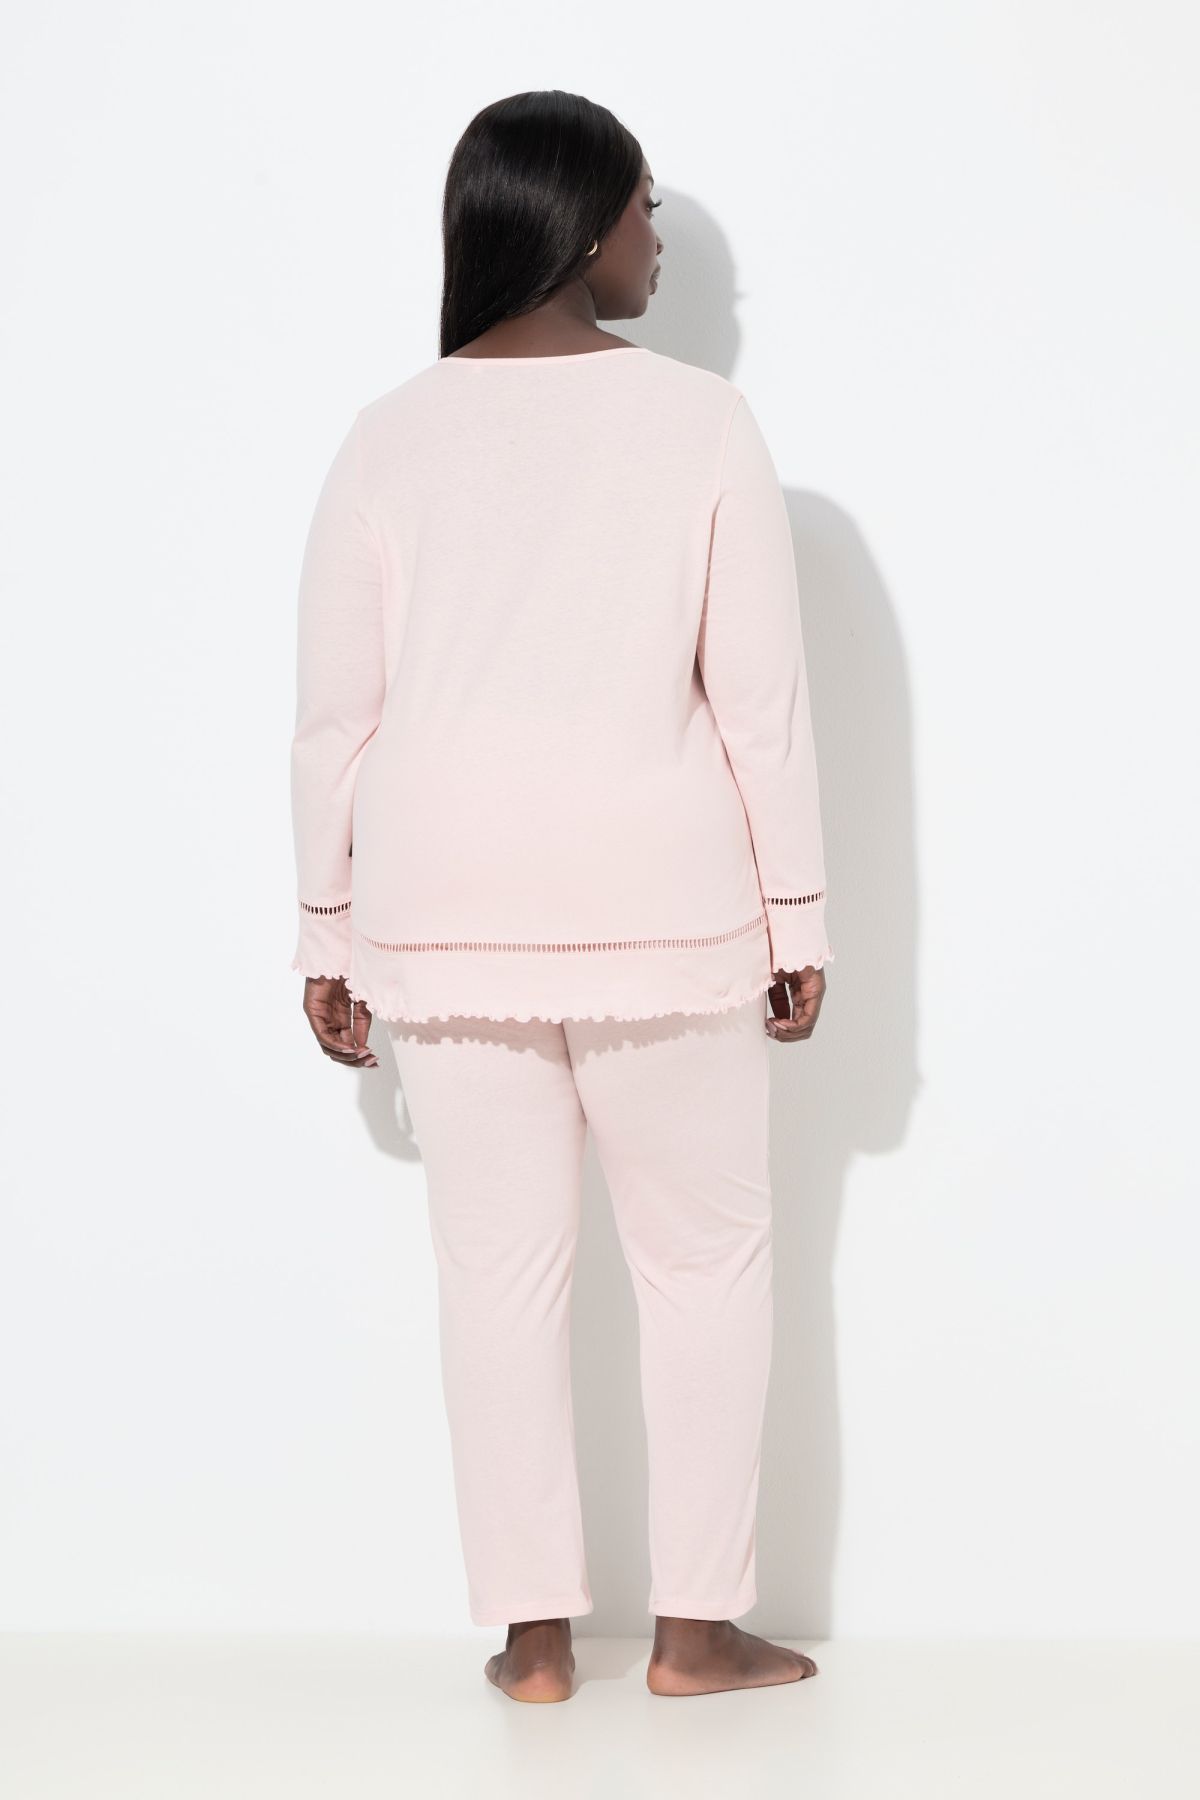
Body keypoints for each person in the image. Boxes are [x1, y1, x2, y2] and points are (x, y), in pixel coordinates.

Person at [288, 90, 834, 1704]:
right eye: (647, 208)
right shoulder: (703, 424)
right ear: (584, 224)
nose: (661, 240)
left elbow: (335, 721)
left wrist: (325, 930)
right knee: (707, 1266)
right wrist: (798, 918)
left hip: (443, 918)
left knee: (497, 1278)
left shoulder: (386, 435)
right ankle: (694, 1632)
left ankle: (534, 1645)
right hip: (663, 913)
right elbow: (760, 707)